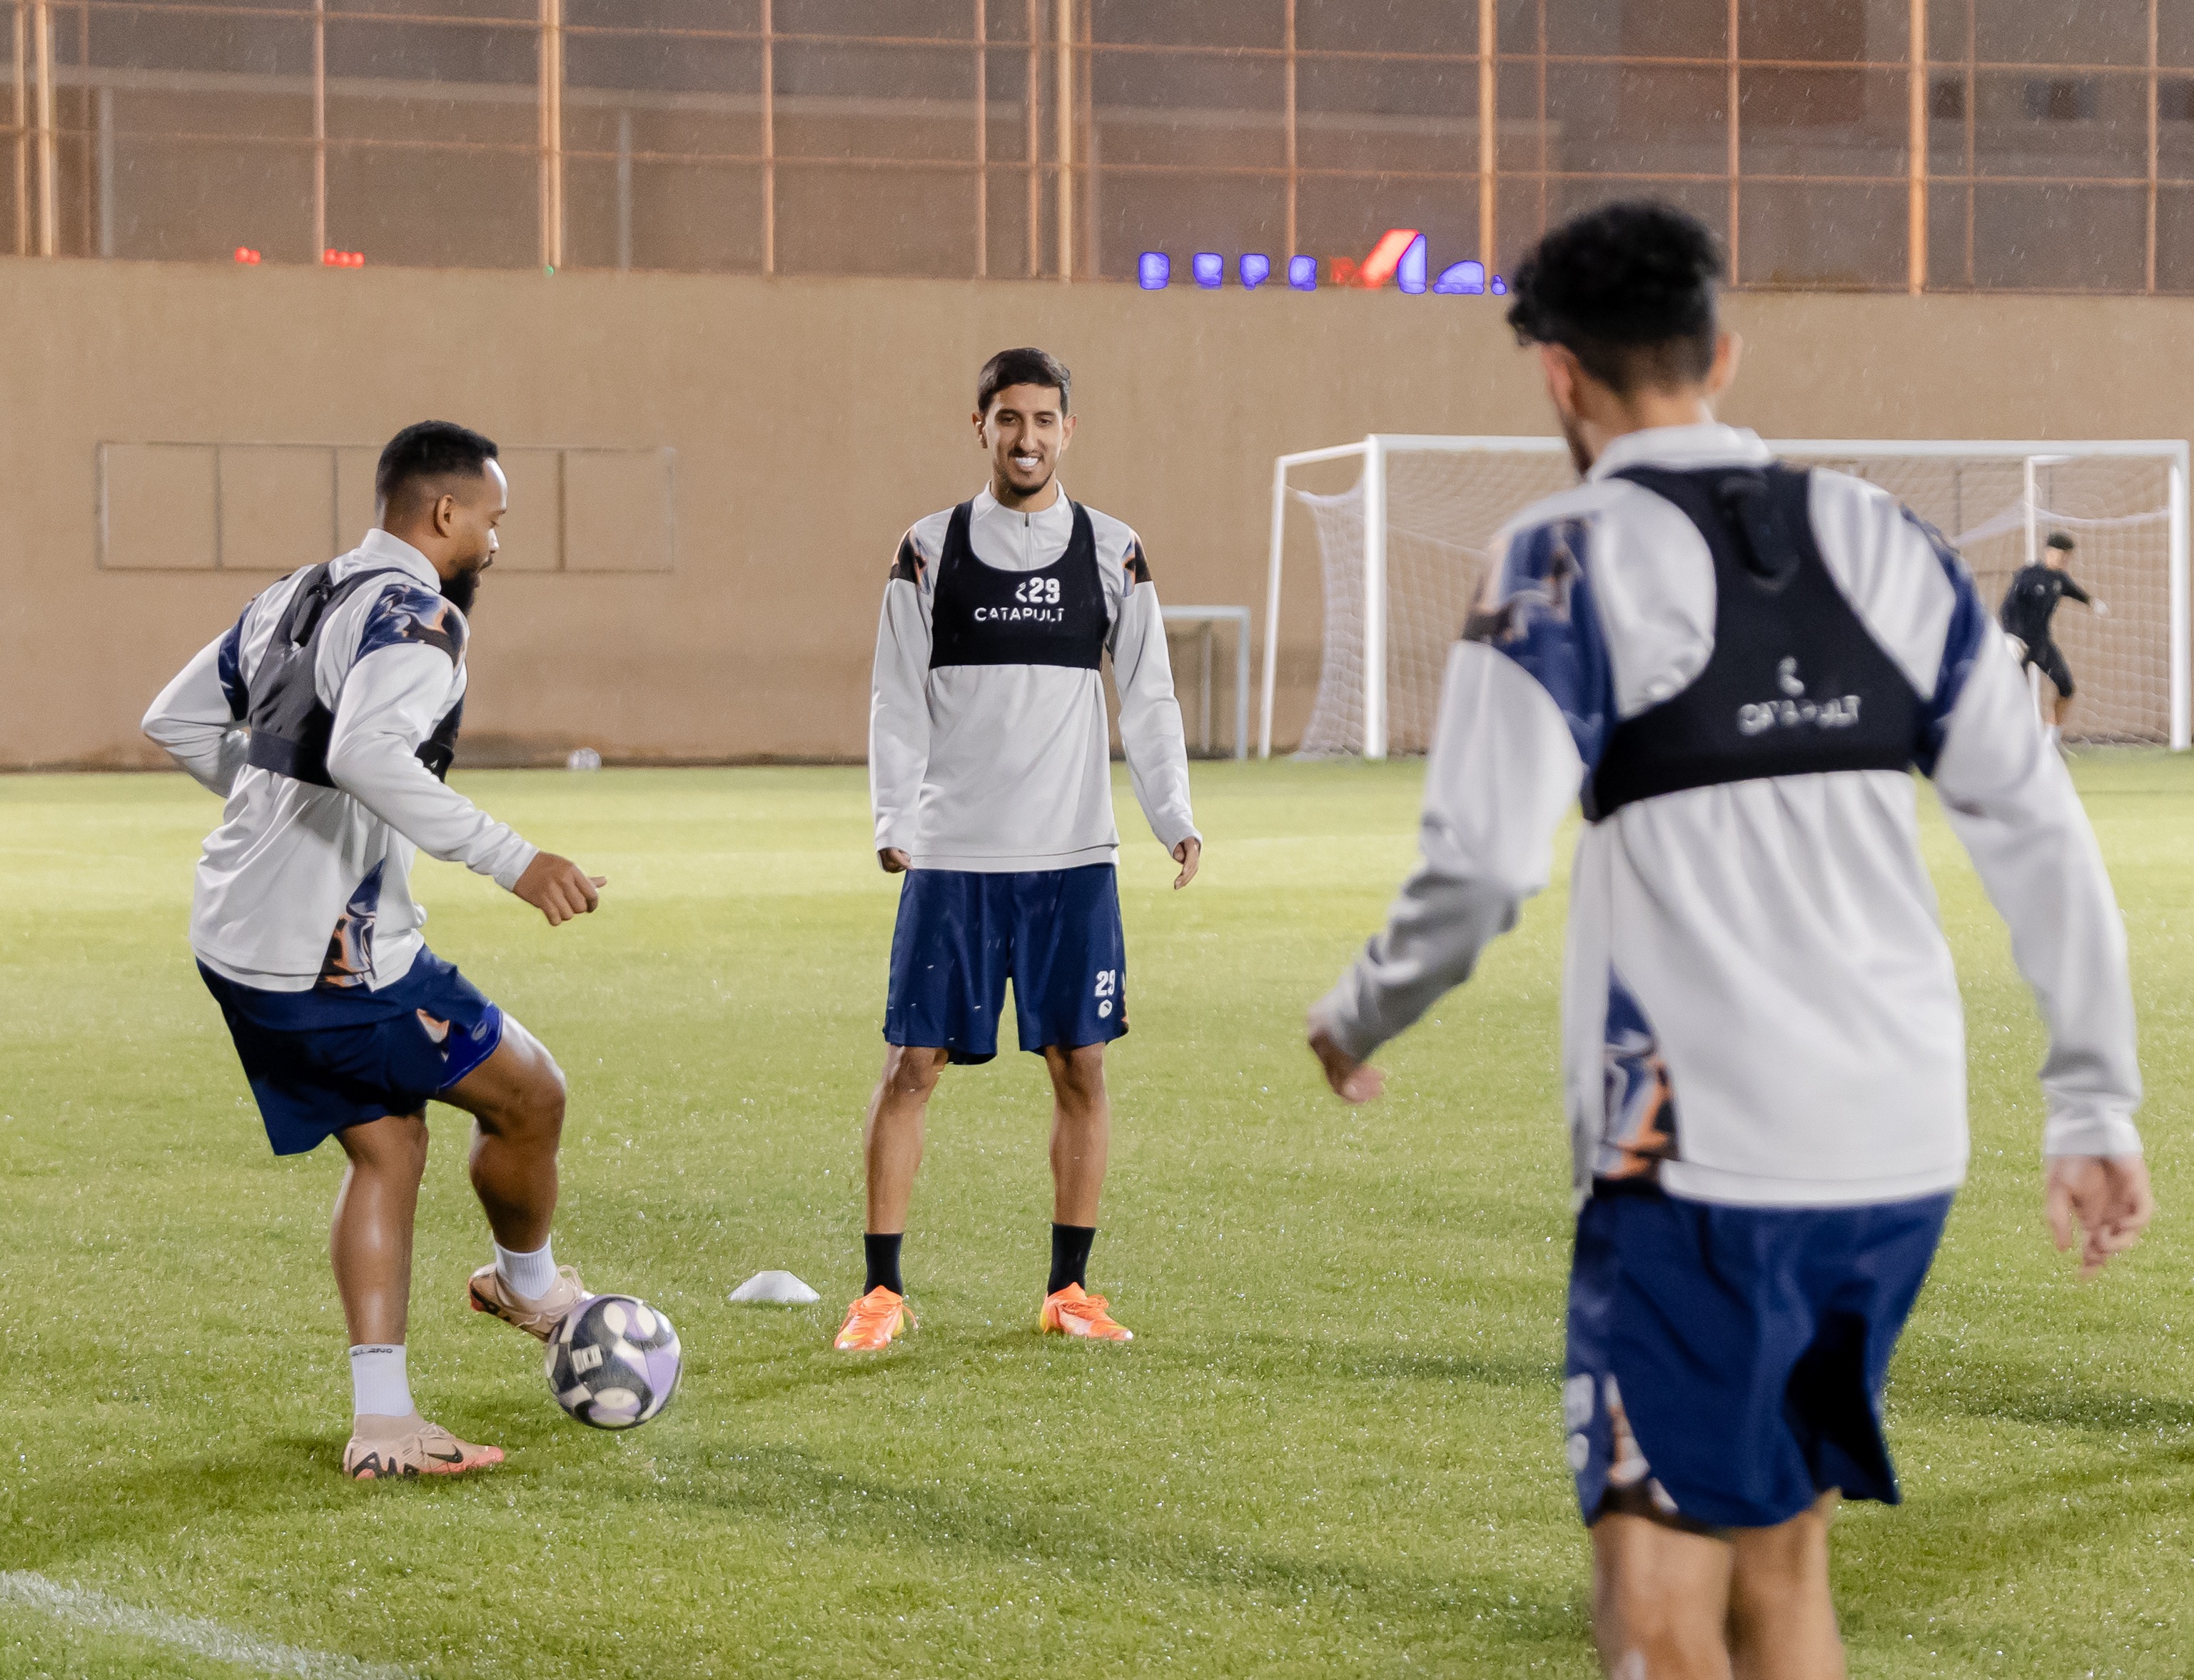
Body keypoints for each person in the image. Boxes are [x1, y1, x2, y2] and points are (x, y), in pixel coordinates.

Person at [1303, 202, 2149, 1677]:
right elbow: (2037, 828)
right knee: (1781, 1560)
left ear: (1556, 376)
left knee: (1651, 1604)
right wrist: (2091, 1099)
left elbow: (1485, 860)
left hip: (1693, 1157)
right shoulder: (1889, 540)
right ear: (1722, 350)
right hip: (1894, 1150)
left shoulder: (1557, 554)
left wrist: (1360, 1013)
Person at [143, 421, 613, 1480]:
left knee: (390, 1145)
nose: (496, 539)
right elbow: (363, 751)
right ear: (445, 513)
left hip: (236, 935)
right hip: (330, 957)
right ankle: (526, 1285)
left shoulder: (296, 592)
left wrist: (276, 808)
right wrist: (515, 859)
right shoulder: (420, 618)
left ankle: (386, 1418)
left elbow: (174, 720)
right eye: (491, 517)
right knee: (531, 1093)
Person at [847, 346, 1201, 1352]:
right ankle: (880, 1291)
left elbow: (1150, 692)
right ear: (980, 427)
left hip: (1071, 860)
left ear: (1068, 431)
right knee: (910, 1065)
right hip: (955, 857)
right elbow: (893, 697)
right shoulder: (928, 548)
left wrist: (1170, 811)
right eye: (1009, 419)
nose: (1027, 437)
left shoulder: (1111, 549)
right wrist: (895, 822)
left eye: (1045, 420)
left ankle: (1069, 1288)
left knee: (1080, 1067)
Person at [1999, 529, 2105, 739]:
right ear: (2049, 552)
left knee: (2066, 686)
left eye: (2068, 557)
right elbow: (2007, 608)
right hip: (2019, 644)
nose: (2065, 560)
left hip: (2042, 644)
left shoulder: (2059, 579)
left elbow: (2073, 591)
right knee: (2015, 693)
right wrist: (2009, 636)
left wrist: (2091, 602)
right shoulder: (2027, 575)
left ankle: (2051, 738)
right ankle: (2013, 741)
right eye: (2062, 555)